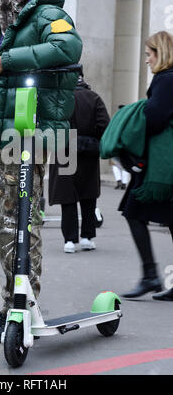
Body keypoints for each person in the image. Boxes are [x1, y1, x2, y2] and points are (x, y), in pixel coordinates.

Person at [0, 0, 83, 342]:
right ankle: (11, 304)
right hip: (10, 132)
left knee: (22, 220)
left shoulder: (49, 11)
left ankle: (21, 306)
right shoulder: (21, 20)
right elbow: (4, 66)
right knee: (7, 222)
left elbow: (68, 49)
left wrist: (7, 57)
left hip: (31, 133)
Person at [118, 31, 173, 300]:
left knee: (133, 211)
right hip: (166, 164)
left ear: (160, 53)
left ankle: (151, 275)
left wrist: (135, 112)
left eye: (148, 54)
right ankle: (151, 275)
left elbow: (155, 119)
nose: (146, 60)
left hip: (159, 166)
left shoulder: (166, 80)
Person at [48, 75, 110, 253]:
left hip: (64, 154)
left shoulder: (60, 98)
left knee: (68, 198)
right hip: (88, 154)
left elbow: (52, 127)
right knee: (88, 197)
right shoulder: (94, 98)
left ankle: (69, 240)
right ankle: (87, 237)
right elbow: (105, 126)